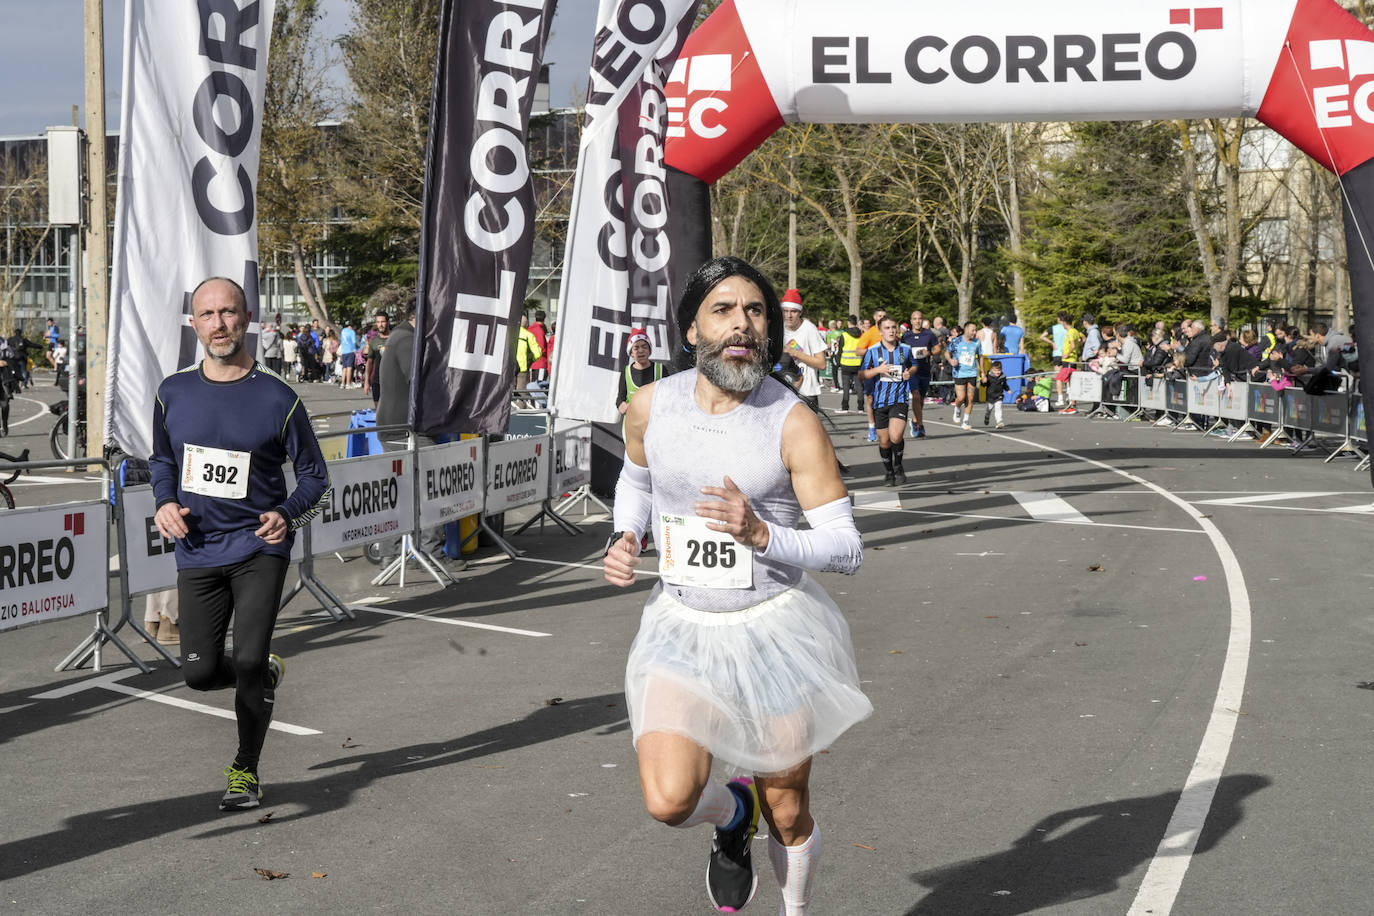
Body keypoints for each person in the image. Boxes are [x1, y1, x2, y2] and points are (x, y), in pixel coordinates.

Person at [604, 256, 870, 916]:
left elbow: (847, 547)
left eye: (755, 312)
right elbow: (636, 480)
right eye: (723, 310)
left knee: (788, 807)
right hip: (683, 625)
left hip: (773, 629)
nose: (742, 325)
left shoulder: (792, 420)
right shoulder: (650, 406)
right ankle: (731, 815)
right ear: (692, 328)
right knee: (669, 800)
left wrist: (763, 537)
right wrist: (624, 534)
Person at [149, 276, 329, 811]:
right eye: (208, 315)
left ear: (245, 318)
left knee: (247, 660)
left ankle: (245, 769)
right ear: (194, 324)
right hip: (198, 550)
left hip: (258, 549)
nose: (219, 324)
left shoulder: (279, 397)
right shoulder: (172, 391)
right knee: (200, 674)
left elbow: (316, 478)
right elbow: (162, 460)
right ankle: (262, 672)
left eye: (228, 312)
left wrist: (287, 514)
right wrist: (163, 501)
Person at [375, 299, 457, 566]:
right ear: (419, 317)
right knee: (432, 483)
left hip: (397, 426)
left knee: (402, 490)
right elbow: (420, 380)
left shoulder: (401, 336)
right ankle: (429, 551)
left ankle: (393, 552)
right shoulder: (407, 340)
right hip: (404, 428)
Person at [859, 316, 916, 484]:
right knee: (884, 441)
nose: (891, 330)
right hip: (880, 401)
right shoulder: (872, 351)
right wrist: (878, 369)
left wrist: (909, 373)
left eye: (893, 327)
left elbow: (913, 365)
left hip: (900, 399)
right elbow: (862, 375)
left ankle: (898, 466)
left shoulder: (905, 349)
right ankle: (889, 471)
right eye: (887, 328)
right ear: (880, 331)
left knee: (896, 436)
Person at [779, 289, 828, 411]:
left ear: (800, 312)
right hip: (783, 392)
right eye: (785, 311)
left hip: (806, 392)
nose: (789, 316)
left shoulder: (809, 329)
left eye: (793, 311)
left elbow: (822, 364)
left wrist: (795, 353)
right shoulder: (779, 328)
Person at [901, 309, 939, 438]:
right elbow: (900, 351)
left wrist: (930, 352)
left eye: (919, 318)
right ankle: (920, 425)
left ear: (922, 320)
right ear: (911, 321)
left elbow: (937, 348)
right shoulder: (906, 336)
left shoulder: (929, 334)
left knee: (921, 399)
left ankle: (915, 421)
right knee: (916, 395)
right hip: (912, 371)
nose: (917, 321)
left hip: (924, 370)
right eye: (915, 319)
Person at [617, 328, 668, 417]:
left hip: (655, 421)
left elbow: (669, 395)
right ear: (631, 353)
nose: (641, 350)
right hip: (633, 424)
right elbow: (620, 399)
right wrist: (621, 405)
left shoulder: (660, 370)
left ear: (649, 350)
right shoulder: (626, 372)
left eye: (644, 347)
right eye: (636, 348)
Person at [947, 321, 985, 430]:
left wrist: (982, 372)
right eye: (972, 330)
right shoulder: (957, 341)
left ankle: (966, 421)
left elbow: (980, 356)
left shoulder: (977, 342)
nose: (975, 332)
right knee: (961, 397)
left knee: (970, 398)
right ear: (966, 330)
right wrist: (950, 360)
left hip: (972, 373)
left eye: (975, 330)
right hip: (959, 373)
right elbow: (947, 352)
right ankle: (957, 408)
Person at [835, 315, 865, 413]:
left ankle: (845, 407)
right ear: (856, 322)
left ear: (848, 323)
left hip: (846, 364)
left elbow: (840, 350)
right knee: (859, 386)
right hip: (857, 363)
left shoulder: (844, 335)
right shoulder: (861, 335)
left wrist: (838, 362)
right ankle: (860, 407)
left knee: (846, 387)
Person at [364, 310, 391, 407]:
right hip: (377, 381)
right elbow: (369, 362)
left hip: (392, 381)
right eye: (378, 322)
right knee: (378, 411)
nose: (380, 325)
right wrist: (366, 382)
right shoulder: (374, 342)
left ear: (388, 322)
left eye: (383, 322)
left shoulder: (395, 338)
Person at [983, 360, 1008, 428]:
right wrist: (983, 382)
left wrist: (1008, 389)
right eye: (995, 370)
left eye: (999, 370)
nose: (997, 372)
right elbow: (984, 384)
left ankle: (999, 421)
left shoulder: (1003, 376)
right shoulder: (988, 375)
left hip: (999, 395)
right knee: (989, 409)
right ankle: (987, 416)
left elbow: (1004, 384)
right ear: (992, 370)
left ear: (1001, 370)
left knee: (998, 408)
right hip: (990, 396)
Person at [339, 320, 359, 389]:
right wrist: (355, 350)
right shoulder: (352, 332)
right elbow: (353, 342)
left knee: (344, 368)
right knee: (349, 367)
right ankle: (348, 383)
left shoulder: (343, 331)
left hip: (344, 351)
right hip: (350, 351)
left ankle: (342, 383)